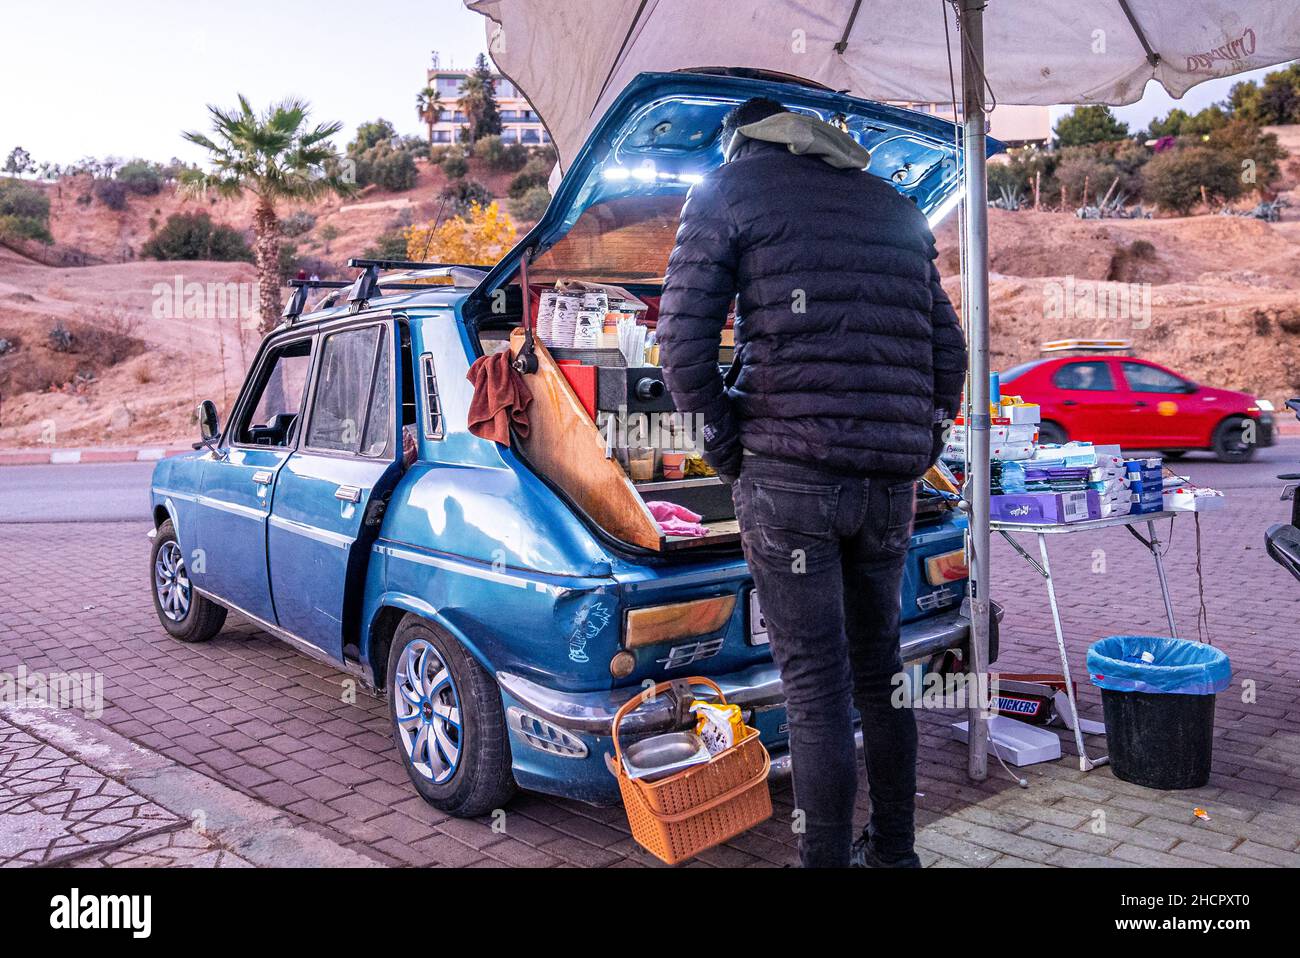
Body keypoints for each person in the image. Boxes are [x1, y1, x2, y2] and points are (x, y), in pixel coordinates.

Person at [657, 97, 968, 868]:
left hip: (789, 478)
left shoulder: (729, 189)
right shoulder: (893, 203)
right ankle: (893, 854)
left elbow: (680, 344)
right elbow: (950, 351)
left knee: (816, 684)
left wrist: (732, 449)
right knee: (880, 669)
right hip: (889, 484)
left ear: (738, 141)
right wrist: (918, 438)